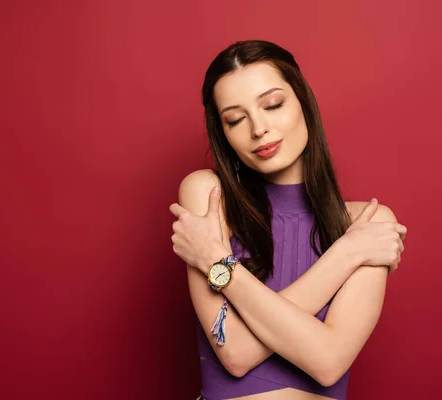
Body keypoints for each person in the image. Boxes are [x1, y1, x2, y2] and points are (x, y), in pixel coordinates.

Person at [169, 40, 407, 400]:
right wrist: (346, 256)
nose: (258, 128)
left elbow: (327, 362)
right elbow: (235, 353)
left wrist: (219, 265)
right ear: (224, 133)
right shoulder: (208, 193)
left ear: (304, 103)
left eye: (273, 104)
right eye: (235, 119)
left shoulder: (367, 223)